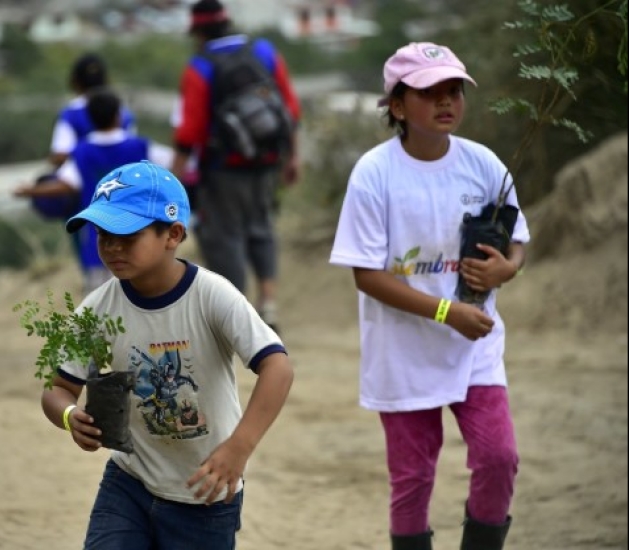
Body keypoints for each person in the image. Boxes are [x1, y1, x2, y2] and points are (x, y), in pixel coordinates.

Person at [328, 42, 529, 550]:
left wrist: (507, 267)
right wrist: (446, 310)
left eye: (454, 91)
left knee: (499, 457)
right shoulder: (375, 174)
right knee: (413, 479)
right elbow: (367, 276)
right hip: (403, 352)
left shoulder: (483, 163)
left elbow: (517, 238)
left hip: (474, 344)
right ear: (397, 106)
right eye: (429, 93)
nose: (446, 102)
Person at [41, 160, 294, 549]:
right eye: (102, 234)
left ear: (173, 234)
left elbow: (278, 368)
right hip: (128, 484)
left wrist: (239, 447)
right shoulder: (96, 309)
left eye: (126, 234)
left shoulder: (212, 295)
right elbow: (58, 389)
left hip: (207, 493)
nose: (111, 246)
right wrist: (69, 415)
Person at [170, 0, 301, 333]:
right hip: (268, 160)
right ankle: (268, 305)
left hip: (223, 166)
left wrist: (174, 176)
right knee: (262, 226)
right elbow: (289, 109)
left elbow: (191, 130)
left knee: (226, 236)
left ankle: (237, 315)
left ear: (198, 32)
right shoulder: (264, 51)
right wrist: (293, 156)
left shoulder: (200, 66)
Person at [15, 90, 174, 295]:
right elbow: (175, 165)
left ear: (90, 119)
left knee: (101, 308)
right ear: (119, 115)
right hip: (142, 239)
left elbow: (65, 184)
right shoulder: (140, 147)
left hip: (101, 245)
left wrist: (30, 191)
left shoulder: (82, 152)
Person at [48, 52, 137, 168]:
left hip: (82, 180)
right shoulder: (123, 112)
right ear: (106, 79)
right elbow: (132, 150)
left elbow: (60, 154)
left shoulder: (70, 114)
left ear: (75, 81)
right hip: (121, 179)